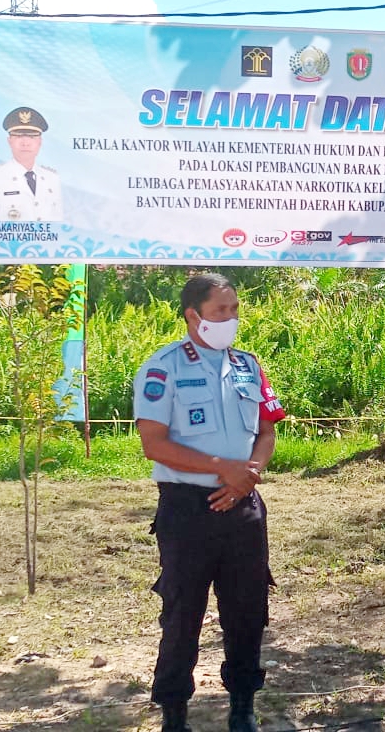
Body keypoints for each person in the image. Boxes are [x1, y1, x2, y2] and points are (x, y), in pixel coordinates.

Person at [133, 274, 286, 732]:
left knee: (247, 610)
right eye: (222, 311)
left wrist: (249, 474)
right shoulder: (163, 367)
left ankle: (243, 707)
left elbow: (267, 430)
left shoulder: (248, 365)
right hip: (187, 509)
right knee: (182, 613)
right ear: (193, 315)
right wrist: (223, 468)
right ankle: (175, 712)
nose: (232, 318)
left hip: (243, 506)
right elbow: (154, 444)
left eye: (235, 309)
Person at [0, 106, 64, 221]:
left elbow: (57, 228)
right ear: (9, 141)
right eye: (19, 136)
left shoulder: (52, 178)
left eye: (31, 137)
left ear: (40, 142)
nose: (25, 143)